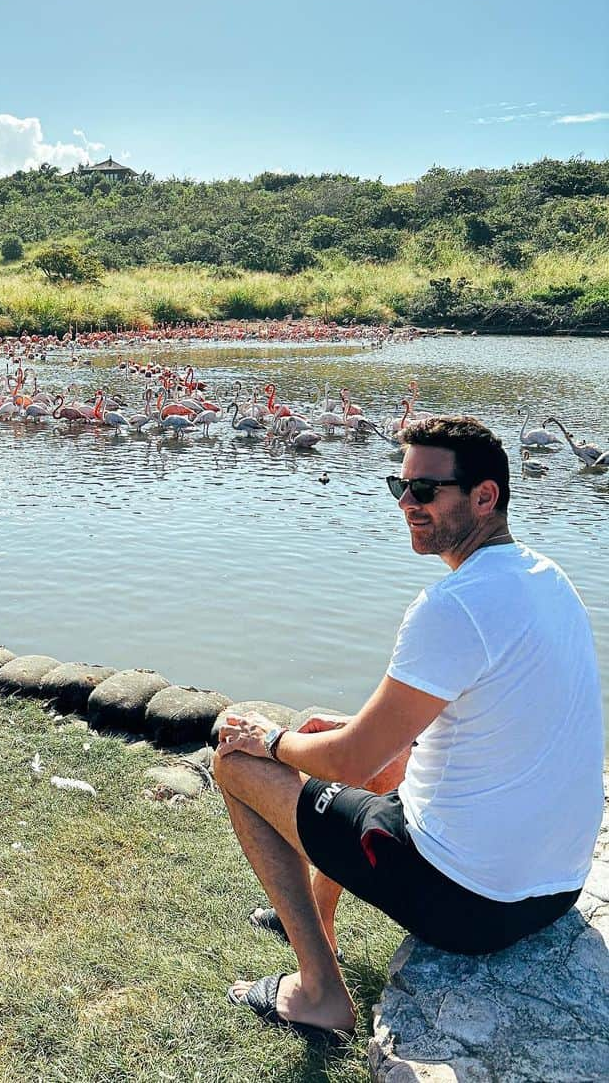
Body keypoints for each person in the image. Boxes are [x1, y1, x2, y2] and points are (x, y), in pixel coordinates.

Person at [213, 414, 604, 1046]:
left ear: (485, 496)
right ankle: (315, 917)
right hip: (553, 889)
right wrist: (327, 738)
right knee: (339, 734)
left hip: (471, 905)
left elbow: (344, 762)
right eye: (400, 488)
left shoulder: (451, 607)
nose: (408, 505)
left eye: (425, 491)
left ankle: (318, 993)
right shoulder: (546, 578)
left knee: (238, 765)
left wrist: (270, 740)